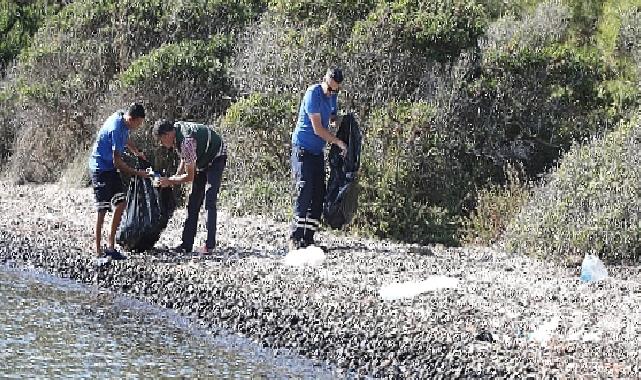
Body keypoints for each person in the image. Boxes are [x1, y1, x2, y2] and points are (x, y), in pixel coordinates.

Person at [289, 67, 348, 251]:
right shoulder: (313, 93)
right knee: (305, 188)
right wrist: (337, 142)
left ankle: (308, 237)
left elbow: (331, 118)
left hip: (316, 152)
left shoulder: (332, 97)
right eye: (329, 88)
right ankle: (295, 236)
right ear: (324, 80)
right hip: (303, 149)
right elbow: (318, 129)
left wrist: (340, 121)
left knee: (318, 193)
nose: (331, 93)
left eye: (335, 90)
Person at [154, 119, 227, 254]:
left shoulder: (186, 141)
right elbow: (185, 159)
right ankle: (186, 245)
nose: (161, 144)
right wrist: (175, 176)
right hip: (201, 160)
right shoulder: (176, 130)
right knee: (193, 202)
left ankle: (209, 246)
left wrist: (170, 181)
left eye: (161, 140)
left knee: (209, 200)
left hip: (216, 155)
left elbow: (189, 177)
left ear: (167, 135)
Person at [88, 102, 149, 260]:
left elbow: (126, 138)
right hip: (100, 168)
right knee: (102, 210)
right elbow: (118, 163)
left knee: (121, 203)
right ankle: (98, 250)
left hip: (110, 168)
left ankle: (111, 246)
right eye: (139, 123)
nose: (139, 126)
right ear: (131, 119)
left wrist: (137, 152)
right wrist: (138, 173)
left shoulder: (123, 119)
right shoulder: (115, 128)